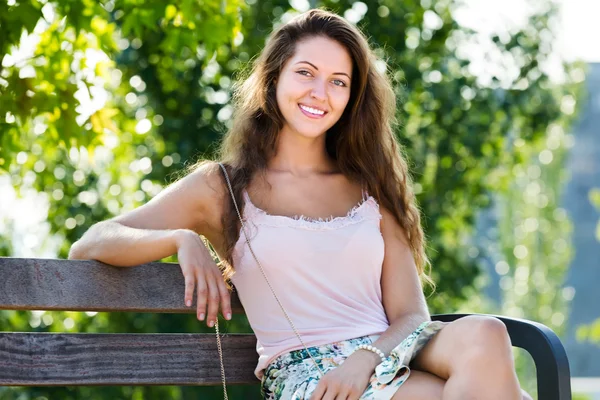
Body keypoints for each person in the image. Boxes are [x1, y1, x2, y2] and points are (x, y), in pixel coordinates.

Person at [69, 8, 533, 400]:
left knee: (487, 333)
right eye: (305, 73)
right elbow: (90, 244)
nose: (320, 93)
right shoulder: (222, 187)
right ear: (273, 79)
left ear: (352, 98)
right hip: (309, 376)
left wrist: (366, 359)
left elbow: (412, 315)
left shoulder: (370, 186)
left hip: (385, 354)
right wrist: (180, 238)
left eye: (338, 81)